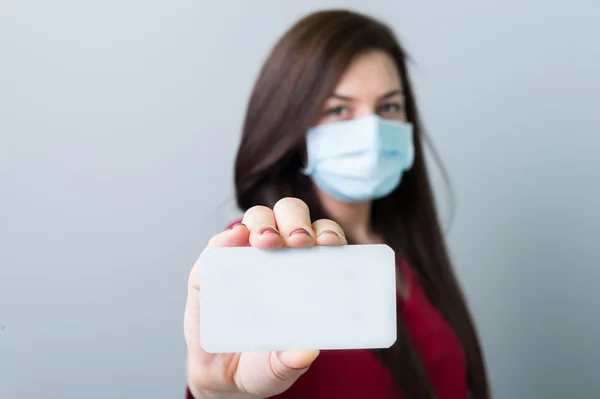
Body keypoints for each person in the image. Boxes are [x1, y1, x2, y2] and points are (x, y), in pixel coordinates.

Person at [183, 9, 491, 399]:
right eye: (339, 110)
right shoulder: (262, 251)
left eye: (389, 107)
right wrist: (219, 393)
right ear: (292, 129)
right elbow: (232, 379)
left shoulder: (407, 251)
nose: (372, 130)